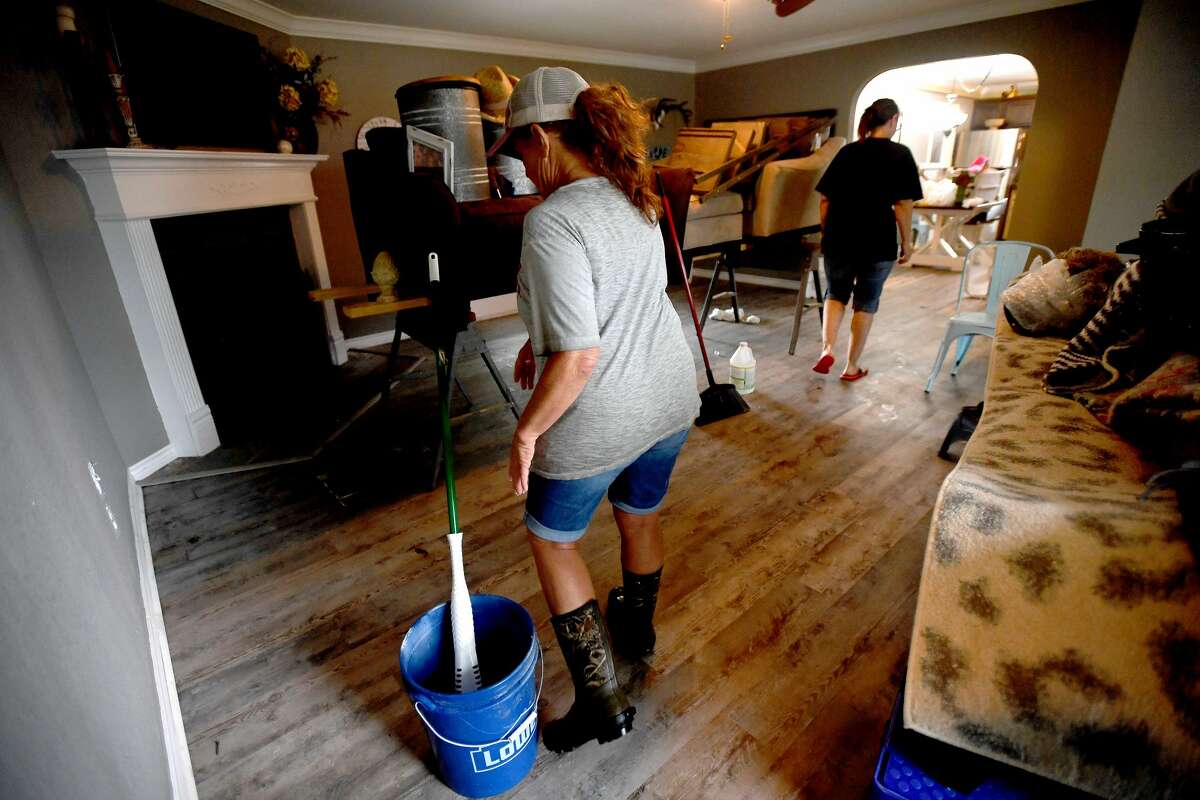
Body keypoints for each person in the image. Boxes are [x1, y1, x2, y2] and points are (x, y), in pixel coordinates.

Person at [490, 67, 700, 753]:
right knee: (639, 512)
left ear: (545, 138)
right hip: (669, 396)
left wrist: (527, 430)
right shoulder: (634, 195)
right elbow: (613, 297)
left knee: (553, 539)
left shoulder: (552, 220)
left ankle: (600, 702)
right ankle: (636, 630)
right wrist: (538, 339)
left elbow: (580, 357)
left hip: (603, 407)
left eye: (520, 149)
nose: (520, 164)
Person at [812, 98, 923, 380]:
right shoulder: (900, 154)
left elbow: (825, 199)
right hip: (878, 239)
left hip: (840, 236)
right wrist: (907, 242)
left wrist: (827, 232)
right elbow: (903, 204)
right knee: (866, 302)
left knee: (835, 295)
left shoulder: (848, 152)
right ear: (894, 119)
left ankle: (827, 350)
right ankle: (851, 367)